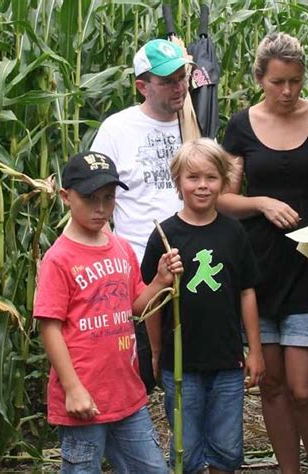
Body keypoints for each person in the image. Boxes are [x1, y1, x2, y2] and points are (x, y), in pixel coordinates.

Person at [218, 33, 308, 474]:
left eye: (296, 82)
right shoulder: (241, 127)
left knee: (305, 389)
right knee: (273, 386)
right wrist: (261, 203)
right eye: (278, 82)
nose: (287, 92)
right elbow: (223, 198)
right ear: (260, 78)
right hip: (256, 271)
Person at [33, 151, 183, 473]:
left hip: (127, 395)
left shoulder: (121, 247)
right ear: (65, 196)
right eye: (90, 198)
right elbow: (50, 326)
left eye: (109, 198)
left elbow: (135, 306)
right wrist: (73, 389)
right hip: (85, 400)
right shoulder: (59, 259)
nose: (101, 208)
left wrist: (159, 280)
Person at [141, 139, 266, 474]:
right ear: (178, 182)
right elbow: (153, 300)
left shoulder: (233, 232)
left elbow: (246, 292)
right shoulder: (164, 236)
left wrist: (254, 349)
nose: (202, 186)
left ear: (223, 181)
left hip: (227, 359)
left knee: (226, 446)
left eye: (211, 178)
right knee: (186, 445)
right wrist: (155, 352)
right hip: (180, 364)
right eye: (192, 178)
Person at [91, 38, 194, 393]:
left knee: (189, 370)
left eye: (182, 77)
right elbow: (95, 201)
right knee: (144, 372)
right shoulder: (117, 130)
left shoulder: (193, 123)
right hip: (139, 272)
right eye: (167, 81)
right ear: (142, 86)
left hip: (194, 264)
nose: (179, 86)